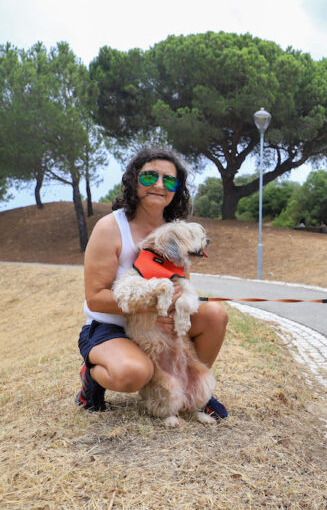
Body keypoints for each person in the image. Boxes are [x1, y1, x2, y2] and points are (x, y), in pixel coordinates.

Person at [76, 147, 230, 420]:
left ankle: (190, 391)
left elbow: (180, 285)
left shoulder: (177, 232)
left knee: (215, 314)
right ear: (134, 180)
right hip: (110, 327)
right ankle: (93, 377)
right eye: (149, 177)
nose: (159, 185)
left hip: (157, 328)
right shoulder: (109, 228)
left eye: (169, 180)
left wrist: (176, 307)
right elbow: (95, 298)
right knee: (133, 373)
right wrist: (148, 306)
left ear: (176, 189)